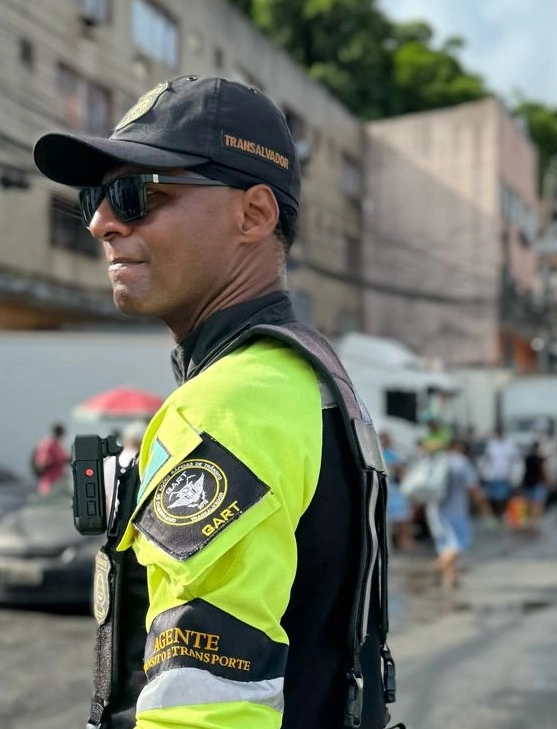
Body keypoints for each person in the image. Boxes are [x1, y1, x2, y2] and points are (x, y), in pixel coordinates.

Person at [34, 76, 393, 729]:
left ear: (253, 215)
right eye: (95, 196)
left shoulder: (226, 404)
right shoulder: (306, 377)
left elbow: (205, 712)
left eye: (136, 195)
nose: (99, 222)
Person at [426, 438, 485, 588]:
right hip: (456, 511)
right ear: (457, 446)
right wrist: (483, 505)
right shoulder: (461, 462)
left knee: (444, 546)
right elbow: (472, 486)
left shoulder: (436, 460)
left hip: (434, 510)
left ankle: (450, 579)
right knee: (458, 545)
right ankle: (436, 566)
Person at [102, 420, 148, 516]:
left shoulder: (112, 460)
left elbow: (105, 492)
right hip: (139, 513)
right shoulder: (145, 460)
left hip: (114, 513)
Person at [382, 431, 415, 552]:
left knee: (403, 516)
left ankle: (405, 539)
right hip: (388, 489)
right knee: (396, 517)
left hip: (397, 489)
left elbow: (402, 468)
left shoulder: (393, 453)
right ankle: (401, 540)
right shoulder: (380, 453)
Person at [481, 427, 518, 516]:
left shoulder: (509, 443)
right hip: (492, 475)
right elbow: (487, 458)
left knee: (503, 496)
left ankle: (502, 513)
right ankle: (495, 513)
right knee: (492, 496)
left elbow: (514, 457)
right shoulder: (491, 444)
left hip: (504, 474)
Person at [32, 422, 69, 495]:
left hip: (58, 480)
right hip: (49, 481)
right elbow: (42, 463)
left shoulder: (58, 445)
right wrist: (58, 461)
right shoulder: (47, 444)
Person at [520, 440, 549, 530]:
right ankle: (534, 521)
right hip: (537, 483)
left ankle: (531, 521)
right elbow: (543, 471)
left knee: (530, 502)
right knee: (537, 503)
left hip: (528, 483)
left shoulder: (527, 458)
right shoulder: (538, 459)